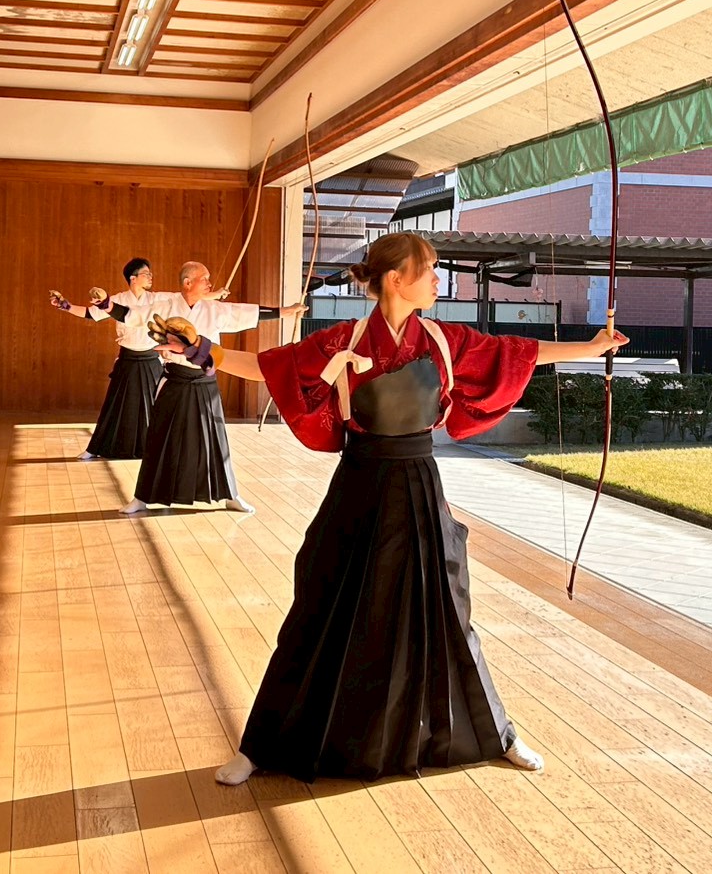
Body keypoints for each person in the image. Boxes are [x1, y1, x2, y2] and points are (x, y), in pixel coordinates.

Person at [165, 232, 627, 784]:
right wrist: (205, 352)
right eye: (428, 269)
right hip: (359, 483)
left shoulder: (443, 339)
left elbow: (515, 352)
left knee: (447, 609)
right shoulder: (346, 339)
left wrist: (590, 348)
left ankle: (494, 733)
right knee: (320, 604)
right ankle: (262, 746)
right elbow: (275, 367)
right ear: (395, 279)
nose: (437, 279)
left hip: (419, 484)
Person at [105, 261, 303, 516]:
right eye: (204, 278)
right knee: (159, 436)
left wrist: (286, 311)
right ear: (188, 283)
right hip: (175, 379)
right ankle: (141, 497)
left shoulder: (214, 309)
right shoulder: (166, 305)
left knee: (216, 437)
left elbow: (247, 313)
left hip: (203, 381)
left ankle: (230, 495)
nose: (209, 283)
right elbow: (133, 315)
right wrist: (106, 305)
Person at [49, 258, 161, 461]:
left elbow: (183, 299)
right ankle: (95, 448)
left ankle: (155, 451)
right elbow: (90, 313)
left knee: (156, 406)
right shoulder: (118, 300)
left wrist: (215, 295)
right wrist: (64, 305)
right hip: (128, 358)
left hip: (152, 359)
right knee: (114, 405)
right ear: (133, 278)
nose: (151, 277)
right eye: (146, 274)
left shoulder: (157, 299)